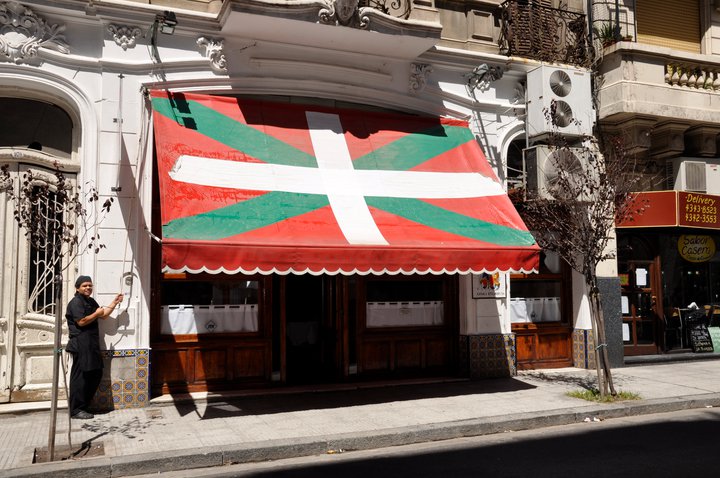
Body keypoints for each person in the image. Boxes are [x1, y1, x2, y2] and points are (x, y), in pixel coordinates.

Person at [65, 275, 123, 419]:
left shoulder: (90, 301)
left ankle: (84, 406)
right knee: (81, 377)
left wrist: (114, 303)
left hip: (91, 345)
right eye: (85, 285)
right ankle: (76, 410)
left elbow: (102, 315)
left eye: (90, 285)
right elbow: (81, 322)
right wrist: (96, 314)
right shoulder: (76, 303)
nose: (88, 288)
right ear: (77, 287)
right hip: (80, 344)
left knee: (95, 374)